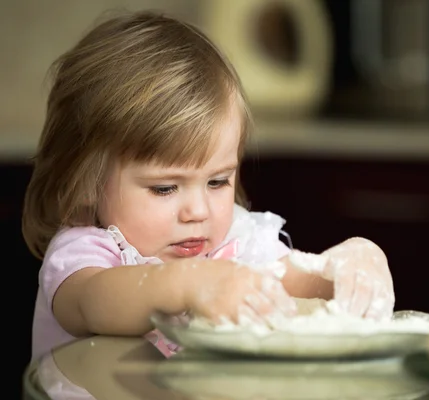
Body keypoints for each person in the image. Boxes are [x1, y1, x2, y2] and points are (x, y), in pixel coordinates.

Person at [23, 10, 395, 361]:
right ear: (86, 181)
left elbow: (297, 282)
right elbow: (95, 303)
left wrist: (349, 266)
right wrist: (189, 283)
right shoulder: (83, 256)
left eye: (218, 181)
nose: (198, 211)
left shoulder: (235, 242)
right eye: (165, 188)